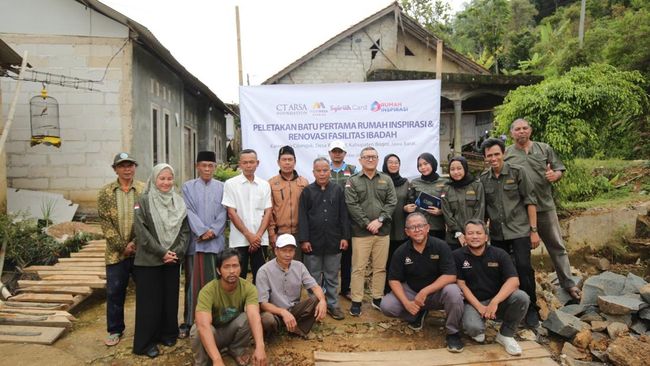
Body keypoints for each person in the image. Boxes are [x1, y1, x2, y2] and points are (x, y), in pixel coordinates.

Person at [505, 118, 581, 300]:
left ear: (530, 130)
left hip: (545, 206)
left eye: (525, 128)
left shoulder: (544, 149)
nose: (521, 131)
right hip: (520, 211)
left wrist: (556, 174)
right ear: (512, 133)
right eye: (517, 129)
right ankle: (517, 289)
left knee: (557, 246)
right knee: (519, 252)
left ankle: (568, 283)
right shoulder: (507, 154)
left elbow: (559, 169)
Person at [380, 212, 465, 352]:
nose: (417, 230)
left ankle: (453, 333)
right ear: (407, 232)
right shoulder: (401, 251)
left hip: (436, 292)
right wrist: (407, 303)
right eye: (412, 227)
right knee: (387, 305)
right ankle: (416, 313)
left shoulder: (441, 246)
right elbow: (393, 280)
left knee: (454, 292)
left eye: (420, 226)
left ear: (427, 228)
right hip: (412, 291)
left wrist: (425, 291)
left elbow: (450, 275)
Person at [479, 138, 540, 328]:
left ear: (503, 154)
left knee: (523, 268)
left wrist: (534, 231)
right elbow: (484, 210)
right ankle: (504, 307)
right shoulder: (483, 179)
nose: (493, 158)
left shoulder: (518, 172)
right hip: (497, 234)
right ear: (485, 158)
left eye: (497, 154)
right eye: (489, 155)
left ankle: (531, 309)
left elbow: (530, 201)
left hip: (519, 231)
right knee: (499, 271)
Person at [133, 163, 190, 358]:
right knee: (150, 303)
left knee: (169, 300)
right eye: (162, 178)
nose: (166, 182)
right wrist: (162, 253)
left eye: (169, 178)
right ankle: (145, 343)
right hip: (149, 261)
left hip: (172, 261)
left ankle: (168, 333)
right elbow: (142, 233)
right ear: (154, 179)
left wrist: (176, 252)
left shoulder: (179, 202)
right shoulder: (144, 201)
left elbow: (185, 231)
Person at [453, 219, 530, 356]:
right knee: (474, 329)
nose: (475, 236)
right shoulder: (457, 256)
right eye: (470, 233)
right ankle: (478, 328)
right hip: (472, 302)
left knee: (522, 297)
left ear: (486, 237)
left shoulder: (499, 254)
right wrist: (479, 307)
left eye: (479, 233)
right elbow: (461, 284)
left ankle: (505, 334)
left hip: (497, 301)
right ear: (464, 237)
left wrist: (495, 302)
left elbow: (513, 281)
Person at [97, 152, 145, 346]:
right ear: (115, 169)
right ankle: (115, 329)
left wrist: (135, 243)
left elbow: (147, 220)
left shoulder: (143, 190)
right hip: (116, 253)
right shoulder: (106, 193)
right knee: (115, 291)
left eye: (130, 165)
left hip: (140, 251)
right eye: (122, 166)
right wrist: (122, 246)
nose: (127, 169)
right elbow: (105, 222)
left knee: (144, 291)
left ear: (134, 167)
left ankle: (144, 327)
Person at [180, 151, 228, 338]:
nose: (207, 169)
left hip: (215, 244)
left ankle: (216, 320)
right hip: (196, 244)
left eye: (211, 165)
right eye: (204, 165)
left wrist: (213, 232)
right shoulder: (188, 187)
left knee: (217, 284)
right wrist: (202, 231)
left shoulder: (223, 187)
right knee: (194, 284)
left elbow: (225, 211)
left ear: (215, 167)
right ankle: (190, 321)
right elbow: (188, 210)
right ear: (197, 167)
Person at [190, 249, 267, 366]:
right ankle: (203, 362)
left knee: (248, 317)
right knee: (197, 329)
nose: (232, 271)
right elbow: (203, 325)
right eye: (226, 267)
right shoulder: (207, 291)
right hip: (212, 334)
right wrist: (217, 359)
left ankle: (236, 349)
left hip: (231, 331)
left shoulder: (249, 288)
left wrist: (260, 347)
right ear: (218, 270)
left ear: (241, 268)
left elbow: (254, 316)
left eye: (235, 266)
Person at [345, 146, 397, 316]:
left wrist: (380, 220)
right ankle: (357, 301)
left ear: (377, 159)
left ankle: (377, 298)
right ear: (360, 160)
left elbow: (392, 202)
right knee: (358, 268)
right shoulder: (353, 181)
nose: (370, 159)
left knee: (380, 268)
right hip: (361, 233)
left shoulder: (386, 180)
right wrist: (368, 223)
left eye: (373, 157)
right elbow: (352, 205)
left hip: (383, 232)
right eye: (366, 157)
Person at [298, 157, 350, 320]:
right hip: (312, 242)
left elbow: (343, 215)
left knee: (332, 276)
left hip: (334, 241)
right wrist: (304, 240)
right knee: (313, 277)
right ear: (313, 172)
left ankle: (333, 305)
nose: (322, 173)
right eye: (318, 170)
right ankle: (314, 305)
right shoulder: (307, 192)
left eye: (325, 170)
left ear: (330, 171)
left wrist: (345, 237)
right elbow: (303, 217)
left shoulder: (337, 190)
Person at [257, 234, 327, 337]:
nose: (288, 254)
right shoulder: (264, 271)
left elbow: (315, 287)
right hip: (274, 312)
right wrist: (282, 312)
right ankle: (276, 333)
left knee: (318, 298)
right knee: (267, 320)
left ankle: (298, 328)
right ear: (276, 251)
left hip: (294, 309)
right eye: (284, 250)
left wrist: (323, 301)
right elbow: (263, 303)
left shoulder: (299, 266)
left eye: (291, 250)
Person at [222, 149, 272, 284]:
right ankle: (238, 305)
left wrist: (258, 236)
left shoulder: (264, 185)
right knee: (238, 276)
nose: (249, 165)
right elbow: (231, 213)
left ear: (257, 163)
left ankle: (259, 305)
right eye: (245, 162)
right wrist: (248, 235)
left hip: (260, 240)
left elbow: (268, 211)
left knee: (261, 277)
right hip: (239, 240)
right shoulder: (231, 184)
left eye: (251, 162)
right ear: (240, 164)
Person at [327, 140, 357, 301]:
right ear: (330, 153)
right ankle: (328, 289)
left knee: (347, 257)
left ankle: (346, 289)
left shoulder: (353, 170)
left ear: (345, 153)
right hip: (330, 220)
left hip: (349, 219)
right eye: (334, 151)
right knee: (330, 255)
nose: (337, 154)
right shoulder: (325, 170)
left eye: (340, 151)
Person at [268, 146, 309, 261]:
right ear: (278, 162)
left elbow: (309, 210)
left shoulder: (303, 182)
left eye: (290, 160)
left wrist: (306, 236)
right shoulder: (271, 183)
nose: (287, 163)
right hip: (279, 233)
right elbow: (269, 211)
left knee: (297, 268)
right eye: (284, 159)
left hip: (298, 234)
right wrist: (272, 233)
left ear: (295, 162)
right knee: (278, 267)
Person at [441, 156, 485, 251]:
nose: (456, 172)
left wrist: (471, 233)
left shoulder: (476, 185)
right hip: (454, 237)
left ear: (465, 168)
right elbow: (447, 213)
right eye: (452, 169)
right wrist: (459, 233)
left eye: (459, 168)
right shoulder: (446, 188)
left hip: (475, 237)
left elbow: (480, 209)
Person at [381, 153, 410, 294]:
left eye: (396, 162)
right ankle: (386, 290)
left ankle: (402, 290)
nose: (393, 165)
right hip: (383, 226)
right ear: (385, 164)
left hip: (401, 227)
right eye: (390, 162)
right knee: (385, 262)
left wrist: (408, 207)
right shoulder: (380, 181)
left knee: (401, 260)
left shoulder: (405, 183)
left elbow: (410, 201)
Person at [406, 153, 449, 240]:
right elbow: (409, 202)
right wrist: (407, 207)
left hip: (437, 226)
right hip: (418, 228)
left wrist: (441, 211)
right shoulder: (414, 183)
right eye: (420, 165)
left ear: (432, 163)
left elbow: (450, 205)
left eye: (426, 163)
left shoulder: (445, 183)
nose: (423, 167)